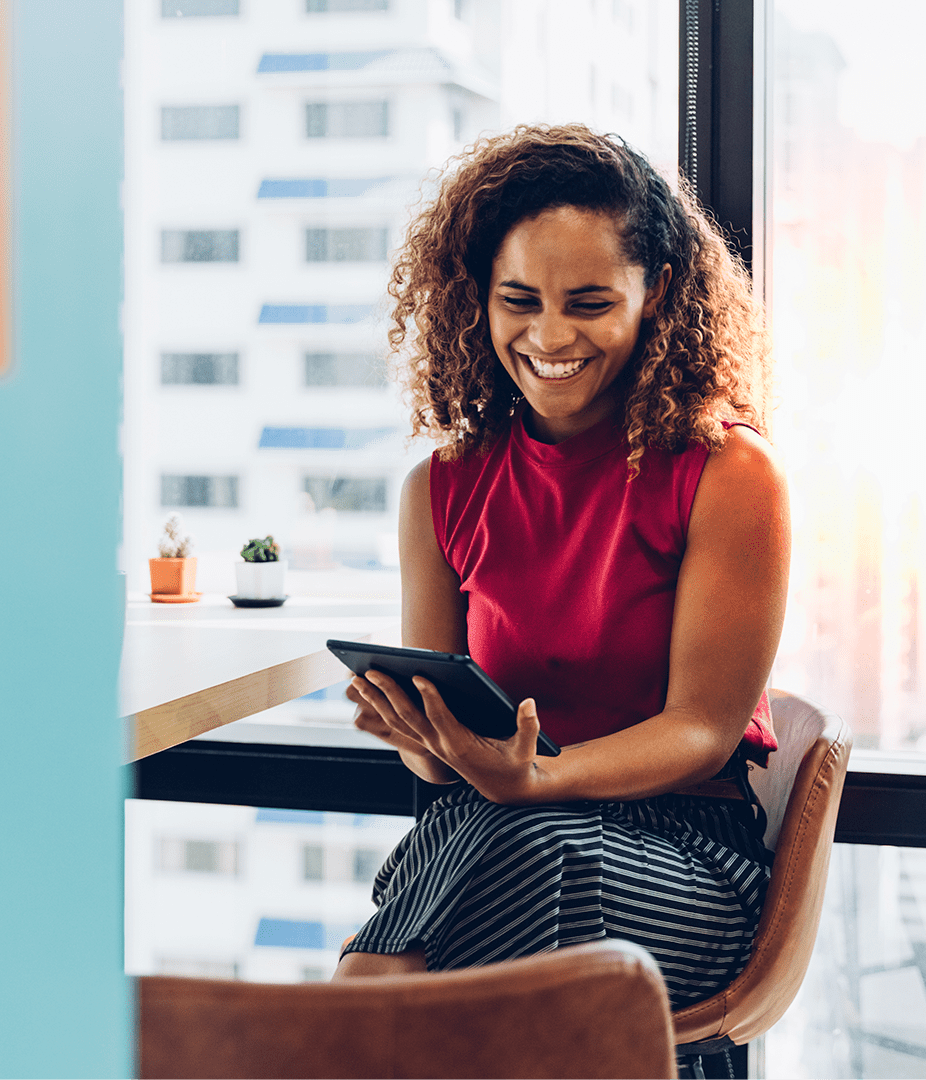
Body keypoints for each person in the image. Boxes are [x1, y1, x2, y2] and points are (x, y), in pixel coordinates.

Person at [335, 124, 790, 1010]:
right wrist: (430, 739)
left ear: (655, 292)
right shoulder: (438, 489)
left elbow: (701, 728)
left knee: (410, 963)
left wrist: (538, 778)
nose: (549, 335)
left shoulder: (729, 475)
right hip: (491, 832)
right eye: (519, 300)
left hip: (682, 854)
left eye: (587, 302)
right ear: (479, 300)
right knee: (493, 864)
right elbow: (438, 780)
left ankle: (350, 1012)